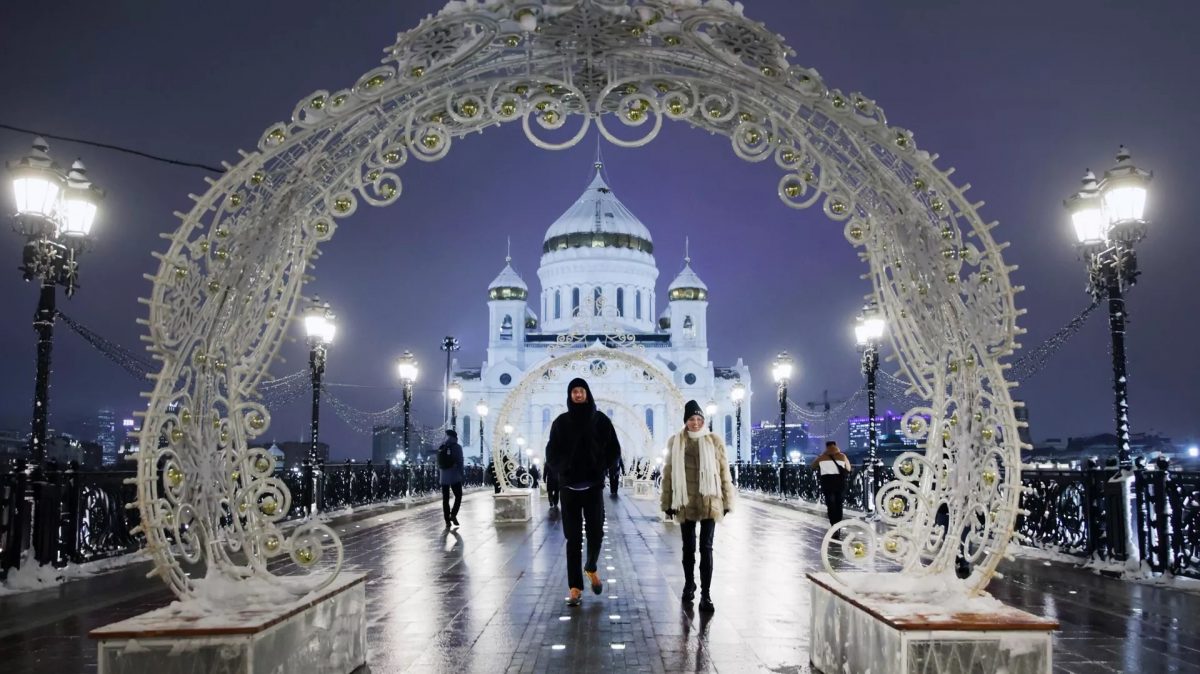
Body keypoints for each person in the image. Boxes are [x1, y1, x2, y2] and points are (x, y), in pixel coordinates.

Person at [545, 378, 621, 607]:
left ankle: (591, 566)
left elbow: (614, 449)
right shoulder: (561, 422)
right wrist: (564, 467)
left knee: (596, 533)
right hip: (569, 488)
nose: (578, 395)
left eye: (581, 391)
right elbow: (551, 452)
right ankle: (575, 587)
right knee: (573, 539)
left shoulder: (600, 420)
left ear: (587, 393)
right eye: (574, 392)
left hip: (593, 487)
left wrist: (602, 466)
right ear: (570, 395)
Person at [660, 400, 735, 613]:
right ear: (686, 421)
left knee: (706, 547)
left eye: (699, 419)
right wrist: (667, 502)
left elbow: (724, 472)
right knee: (688, 547)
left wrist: (727, 501)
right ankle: (689, 584)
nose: (695, 423)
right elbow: (668, 474)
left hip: (710, 500)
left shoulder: (714, 441)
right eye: (692, 419)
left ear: (704, 420)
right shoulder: (676, 442)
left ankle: (706, 594)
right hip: (685, 501)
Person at [812, 441, 852, 526]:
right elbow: (848, 469)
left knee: (830, 505)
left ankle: (833, 524)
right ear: (836, 446)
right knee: (839, 504)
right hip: (839, 483)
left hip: (827, 483)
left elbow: (812, 466)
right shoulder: (842, 456)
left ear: (826, 447)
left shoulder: (821, 457)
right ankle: (838, 525)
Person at [437, 430, 464, 528]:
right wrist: (461, 474)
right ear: (455, 438)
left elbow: (439, 462)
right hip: (454, 476)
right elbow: (460, 461)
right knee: (458, 496)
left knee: (445, 499)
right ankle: (453, 514)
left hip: (443, 477)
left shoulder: (442, 446)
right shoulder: (457, 447)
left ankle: (447, 521)